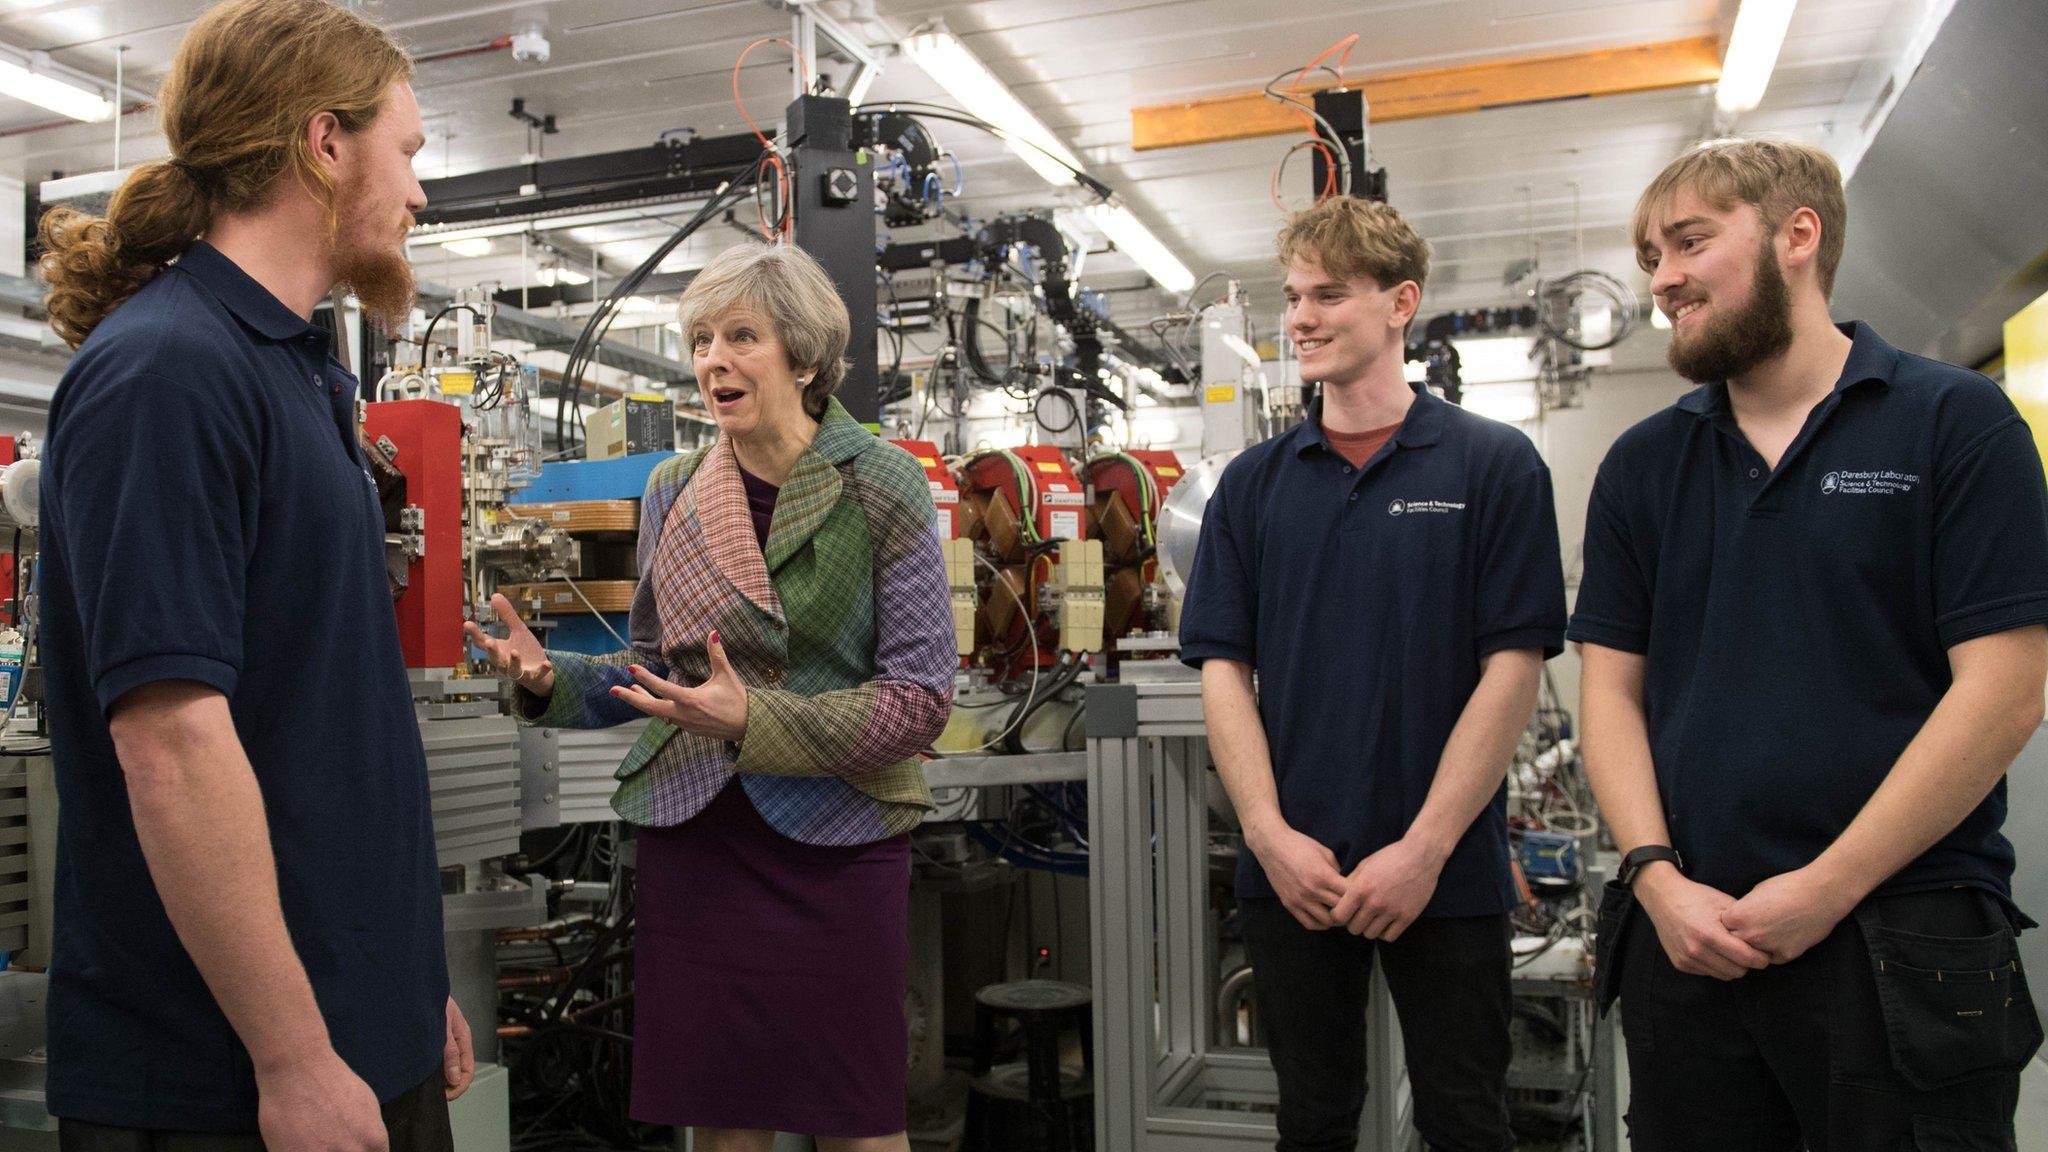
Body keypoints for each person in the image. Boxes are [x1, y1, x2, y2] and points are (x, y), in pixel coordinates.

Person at [35, 1, 472, 1149]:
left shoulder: (295, 371)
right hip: (228, 1078)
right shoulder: (167, 375)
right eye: (409, 153)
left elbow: (321, 718)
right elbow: (172, 739)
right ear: (324, 145)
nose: (420, 193)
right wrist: (291, 1054)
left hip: (346, 1029)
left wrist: (400, 987)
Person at [1573, 137, 2048, 1149]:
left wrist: (1826, 885)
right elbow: (1608, 693)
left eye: (1689, 241)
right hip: (1687, 941)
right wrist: (1652, 877)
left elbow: (2003, 691)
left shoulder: (1952, 424)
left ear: (1797, 236)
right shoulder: (1642, 466)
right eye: (1649, 252)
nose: (1660, 278)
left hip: (1897, 940)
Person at [467, 242, 954, 1151]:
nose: (712, 360)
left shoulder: (881, 483)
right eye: (699, 340)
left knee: (856, 1117)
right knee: (726, 1119)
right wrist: (548, 681)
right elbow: (651, 674)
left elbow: (921, 700)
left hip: (838, 839)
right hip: (703, 835)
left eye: (741, 336)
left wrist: (755, 720)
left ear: (804, 356)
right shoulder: (676, 489)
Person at [1178, 196, 1566, 1152]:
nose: (1301, 318)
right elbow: (1223, 670)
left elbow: (1512, 668)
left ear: (1402, 303)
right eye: (1295, 296)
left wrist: (1426, 848)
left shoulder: (1493, 465)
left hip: (1447, 874)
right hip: (1295, 872)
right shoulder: (1254, 487)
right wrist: (1267, 838)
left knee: (1466, 1120)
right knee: (1312, 1121)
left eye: (1330, 295)